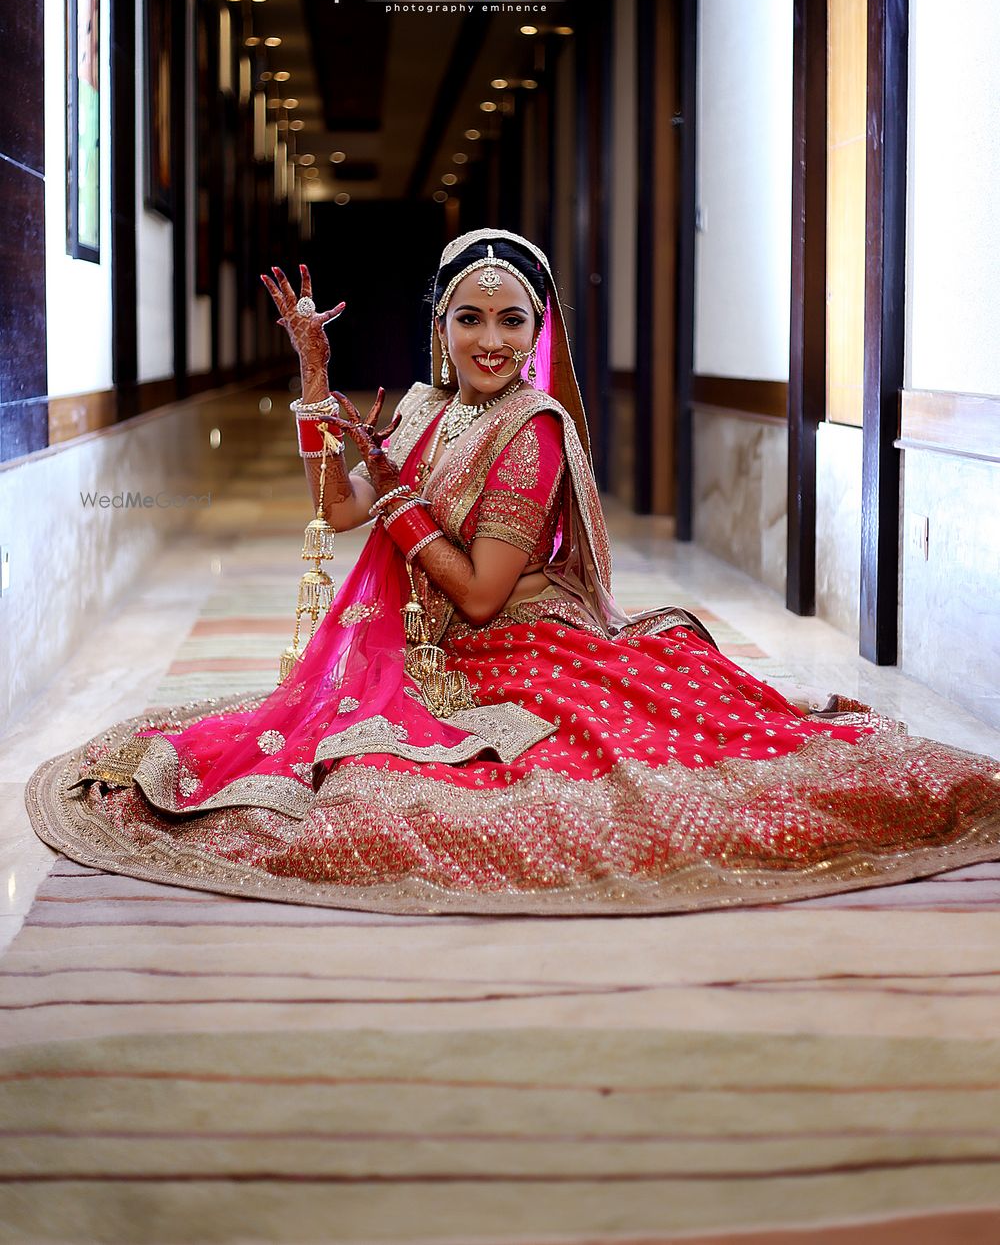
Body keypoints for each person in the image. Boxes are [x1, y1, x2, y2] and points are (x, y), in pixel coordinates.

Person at [27, 228, 1000, 915]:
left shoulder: (530, 431)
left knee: (434, 809)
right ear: (439, 327)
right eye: (469, 319)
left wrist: (397, 501)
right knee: (302, 764)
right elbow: (333, 509)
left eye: (512, 321)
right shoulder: (417, 408)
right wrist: (315, 381)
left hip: (511, 648)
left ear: (537, 332)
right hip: (426, 650)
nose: (491, 341)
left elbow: (482, 592)